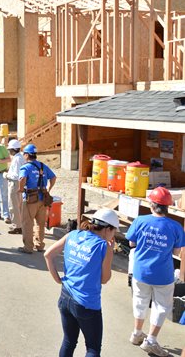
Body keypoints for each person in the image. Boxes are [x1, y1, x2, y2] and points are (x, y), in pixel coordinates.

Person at [44, 209, 119, 357]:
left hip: (65, 297)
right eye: (114, 231)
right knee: (92, 348)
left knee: (69, 341)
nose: (114, 235)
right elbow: (104, 279)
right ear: (107, 229)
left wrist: (57, 279)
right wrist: (110, 251)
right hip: (87, 304)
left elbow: (48, 255)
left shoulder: (72, 235)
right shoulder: (104, 247)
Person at [126, 187, 184, 356]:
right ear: (168, 207)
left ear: (151, 204)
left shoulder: (140, 221)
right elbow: (175, 252)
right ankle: (151, 340)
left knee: (139, 301)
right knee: (160, 307)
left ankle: (137, 333)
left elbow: (131, 243)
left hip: (140, 271)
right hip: (163, 275)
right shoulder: (175, 226)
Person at [17, 144, 57, 254]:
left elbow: (22, 178)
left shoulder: (25, 167)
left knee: (27, 223)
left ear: (26, 155)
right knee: (40, 223)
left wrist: (20, 189)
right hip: (43, 198)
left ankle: (28, 247)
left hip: (30, 198)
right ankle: (39, 245)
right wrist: (49, 188)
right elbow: (53, 177)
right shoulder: (42, 166)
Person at [6, 139, 24, 235]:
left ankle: (17, 226)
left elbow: (16, 175)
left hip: (14, 183)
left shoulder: (17, 159)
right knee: (18, 205)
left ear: (13, 149)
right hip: (17, 183)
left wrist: (7, 175)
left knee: (13, 205)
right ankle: (19, 224)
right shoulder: (20, 157)